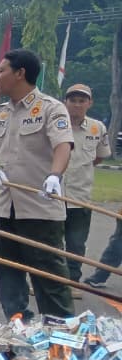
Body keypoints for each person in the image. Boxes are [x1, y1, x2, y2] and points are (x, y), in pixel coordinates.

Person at [0, 49, 75, 320]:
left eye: (1, 71)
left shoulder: (51, 108)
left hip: (40, 210)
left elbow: (63, 146)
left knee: (49, 280)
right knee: (8, 274)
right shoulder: (2, 113)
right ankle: (19, 328)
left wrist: (55, 175)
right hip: (7, 210)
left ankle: (62, 337)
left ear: (20, 73)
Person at [61, 83, 110, 290]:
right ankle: (47, 282)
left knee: (76, 244)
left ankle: (72, 284)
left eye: (82, 101)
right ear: (66, 102)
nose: (77, 105)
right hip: (54, 196)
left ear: (89, 103)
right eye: (73, 100)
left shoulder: (97, 128)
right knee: (50, 244)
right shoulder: (55, 124)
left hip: (80, 197)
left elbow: (99, 157)